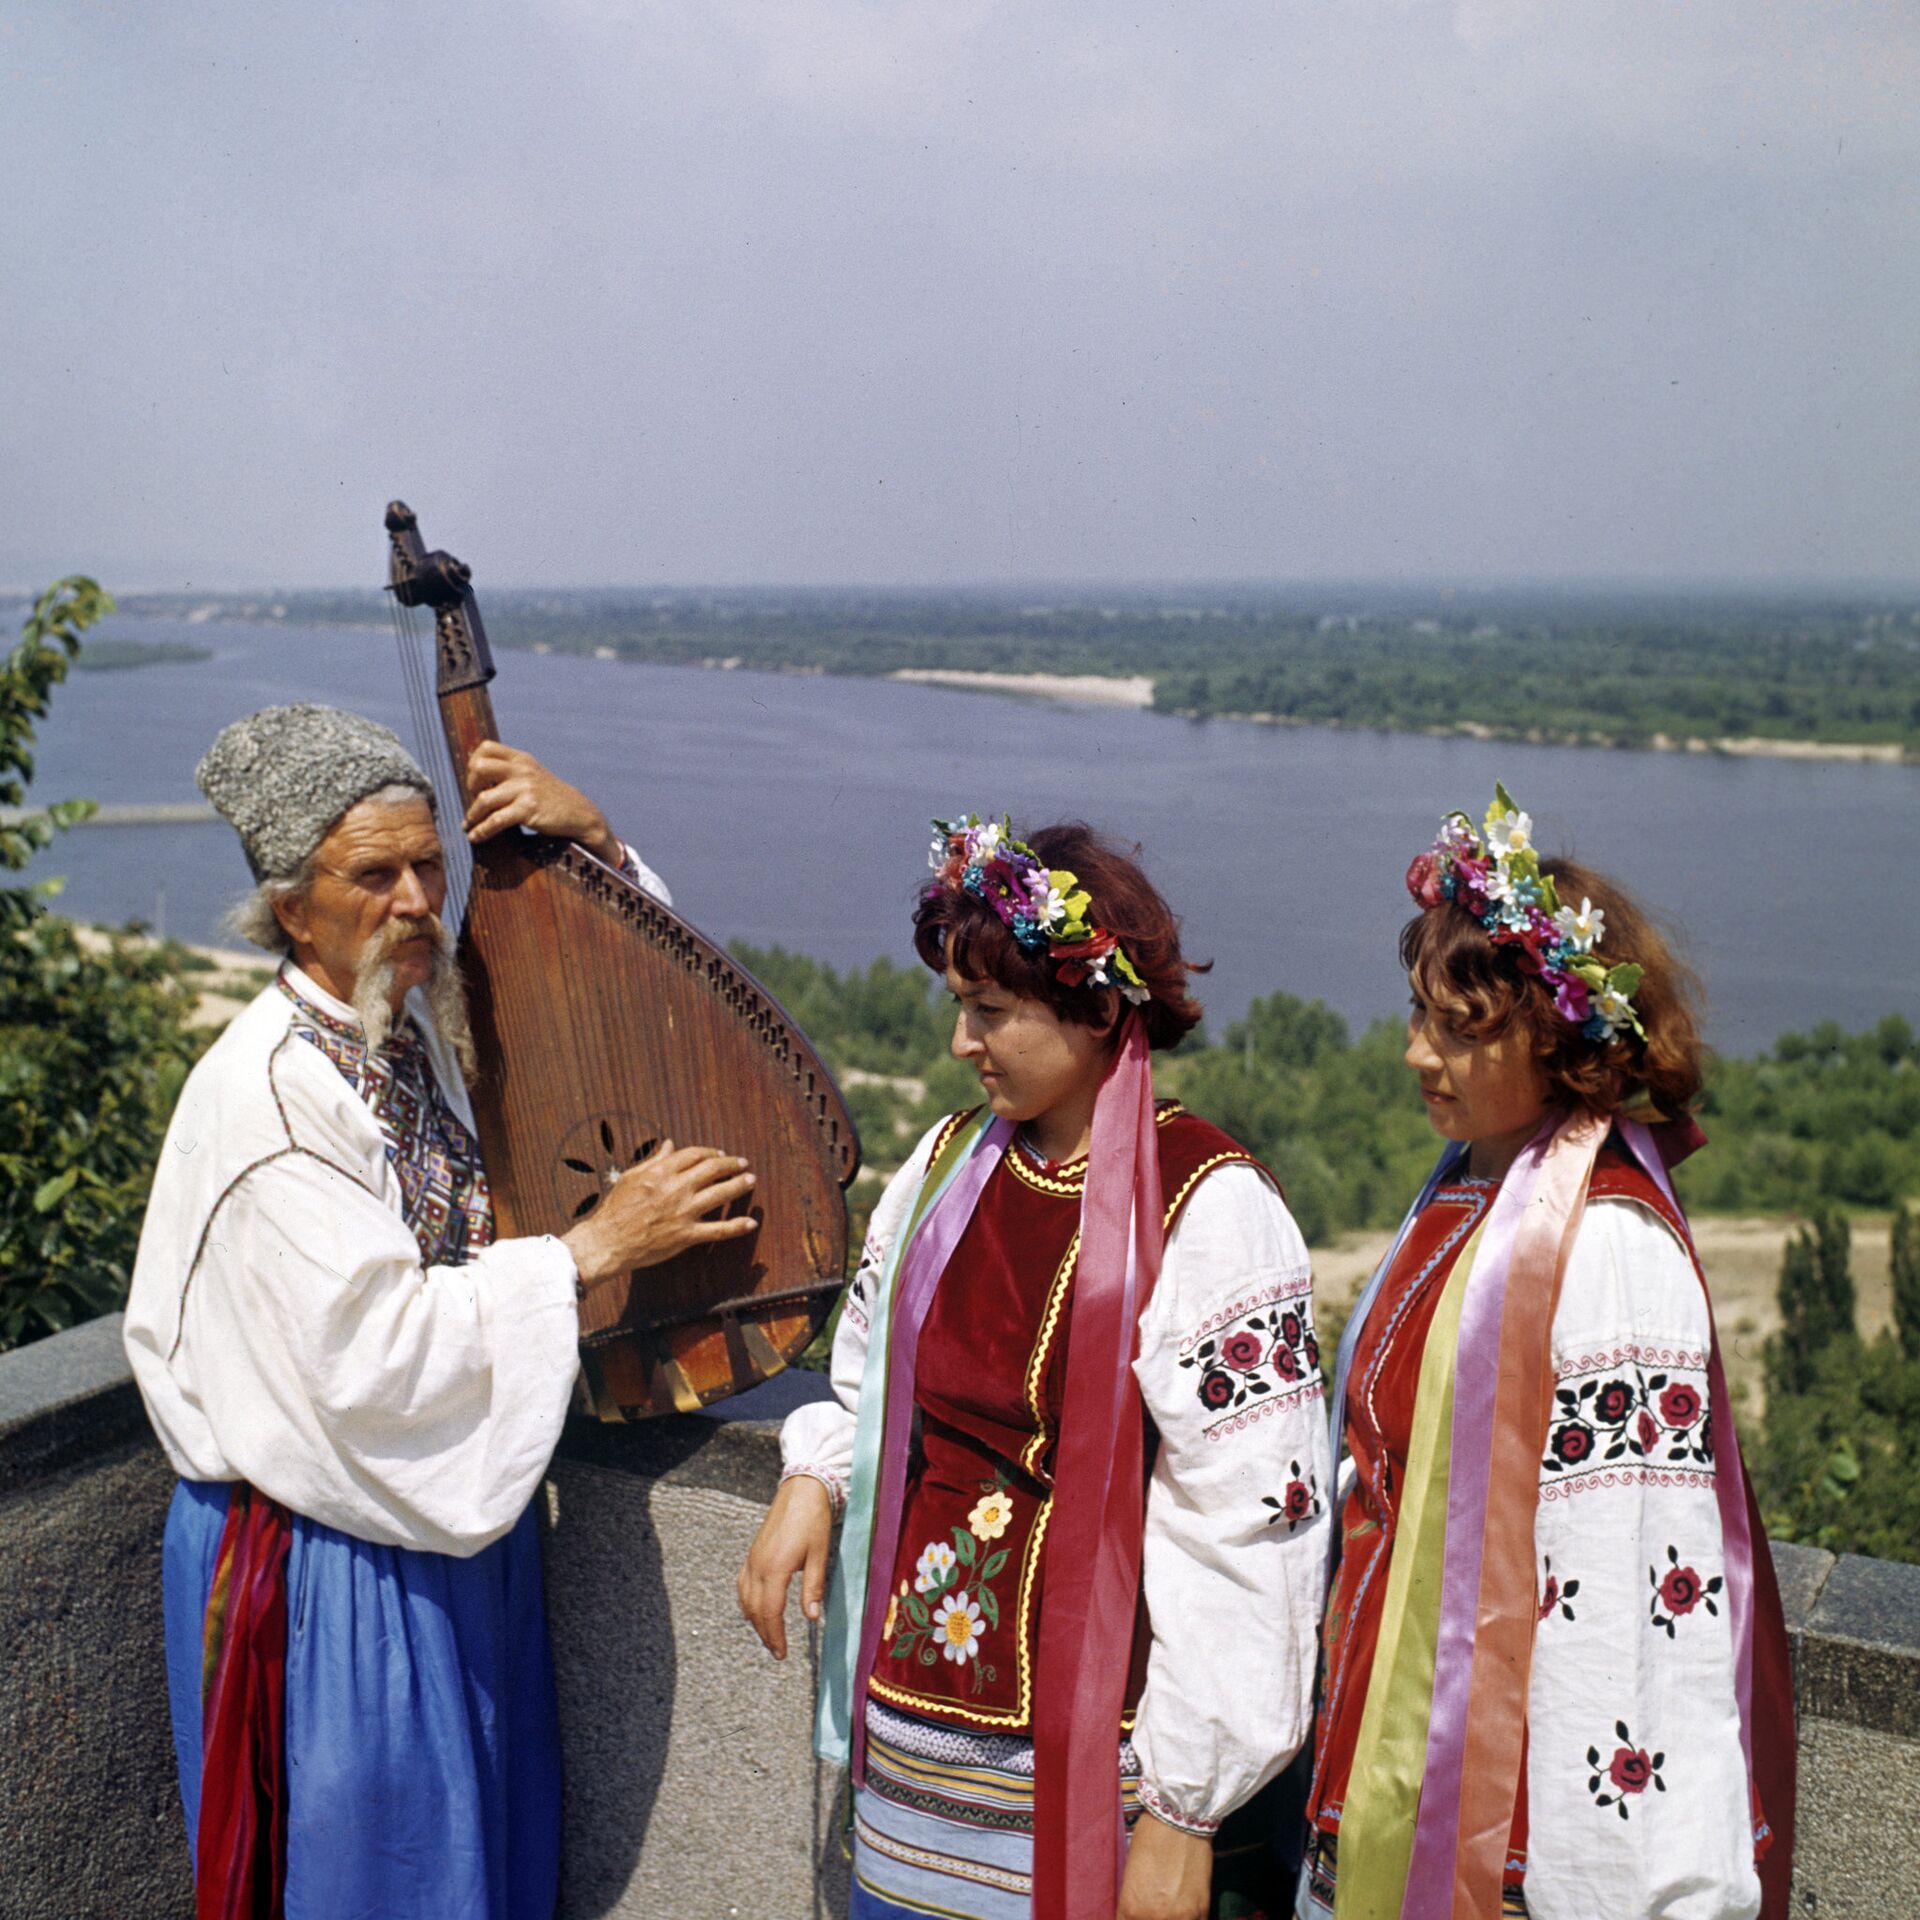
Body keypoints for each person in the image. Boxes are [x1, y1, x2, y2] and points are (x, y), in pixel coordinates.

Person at [122, 703, 759, 1920]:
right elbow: (371, 1356)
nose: (417, 901)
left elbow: (620, 1022)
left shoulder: (406, 1020)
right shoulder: (268, 1103)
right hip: (329, 1566)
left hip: (438, 1521)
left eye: (430, 864)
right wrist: (591, 1252)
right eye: (376, 875)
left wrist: (598, 850)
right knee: (383, 1881)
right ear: (290, 907)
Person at [739, 814, 1331, 1920]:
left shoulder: (1207, 1207)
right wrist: (815, 1475)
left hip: (1096, 1758)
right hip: (913, 1742)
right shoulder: (946, 1165)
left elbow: (1252, 1527)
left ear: (1099, 1009)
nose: (961, 1043)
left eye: (990, 1011)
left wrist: (1187, 1814)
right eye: (959, 1007)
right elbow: (870, 1387)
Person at [1300, 785, 1795, 1920]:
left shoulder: (1607, 1247)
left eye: (1461, 1028)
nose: (1416, 1052)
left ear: (1560, 1034)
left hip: (1508, 1834)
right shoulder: (1467, 1193)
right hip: (1382, 1773)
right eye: (1420, 1014)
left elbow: (1631, 1594)